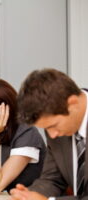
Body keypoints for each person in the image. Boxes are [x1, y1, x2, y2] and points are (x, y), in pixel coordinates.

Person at [10, 68, 88, 200]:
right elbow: (52, 179)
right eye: (46, 129)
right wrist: (29, 195)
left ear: (73, 103)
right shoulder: (56, 131)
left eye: (53, 126)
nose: (52, 135)